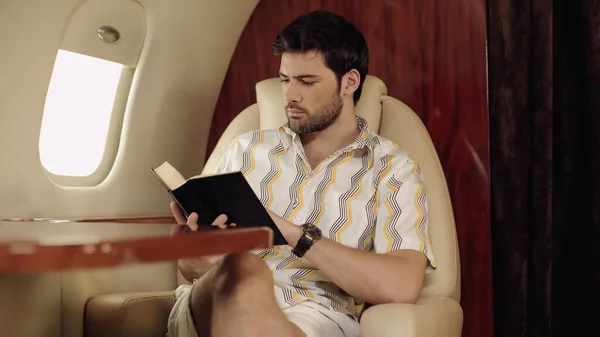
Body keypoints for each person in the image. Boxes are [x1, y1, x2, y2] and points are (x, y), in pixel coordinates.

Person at [166, 10, 435, 337]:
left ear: (349, 82)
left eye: (306, 81)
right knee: (242, 268)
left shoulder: (392, 168)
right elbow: (191, 270)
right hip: (213, 303)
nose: (290, 95)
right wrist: (196, 252)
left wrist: (293, 233)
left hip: (314, 317)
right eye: (284, 79)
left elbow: (402, 285)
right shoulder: (245, 150)